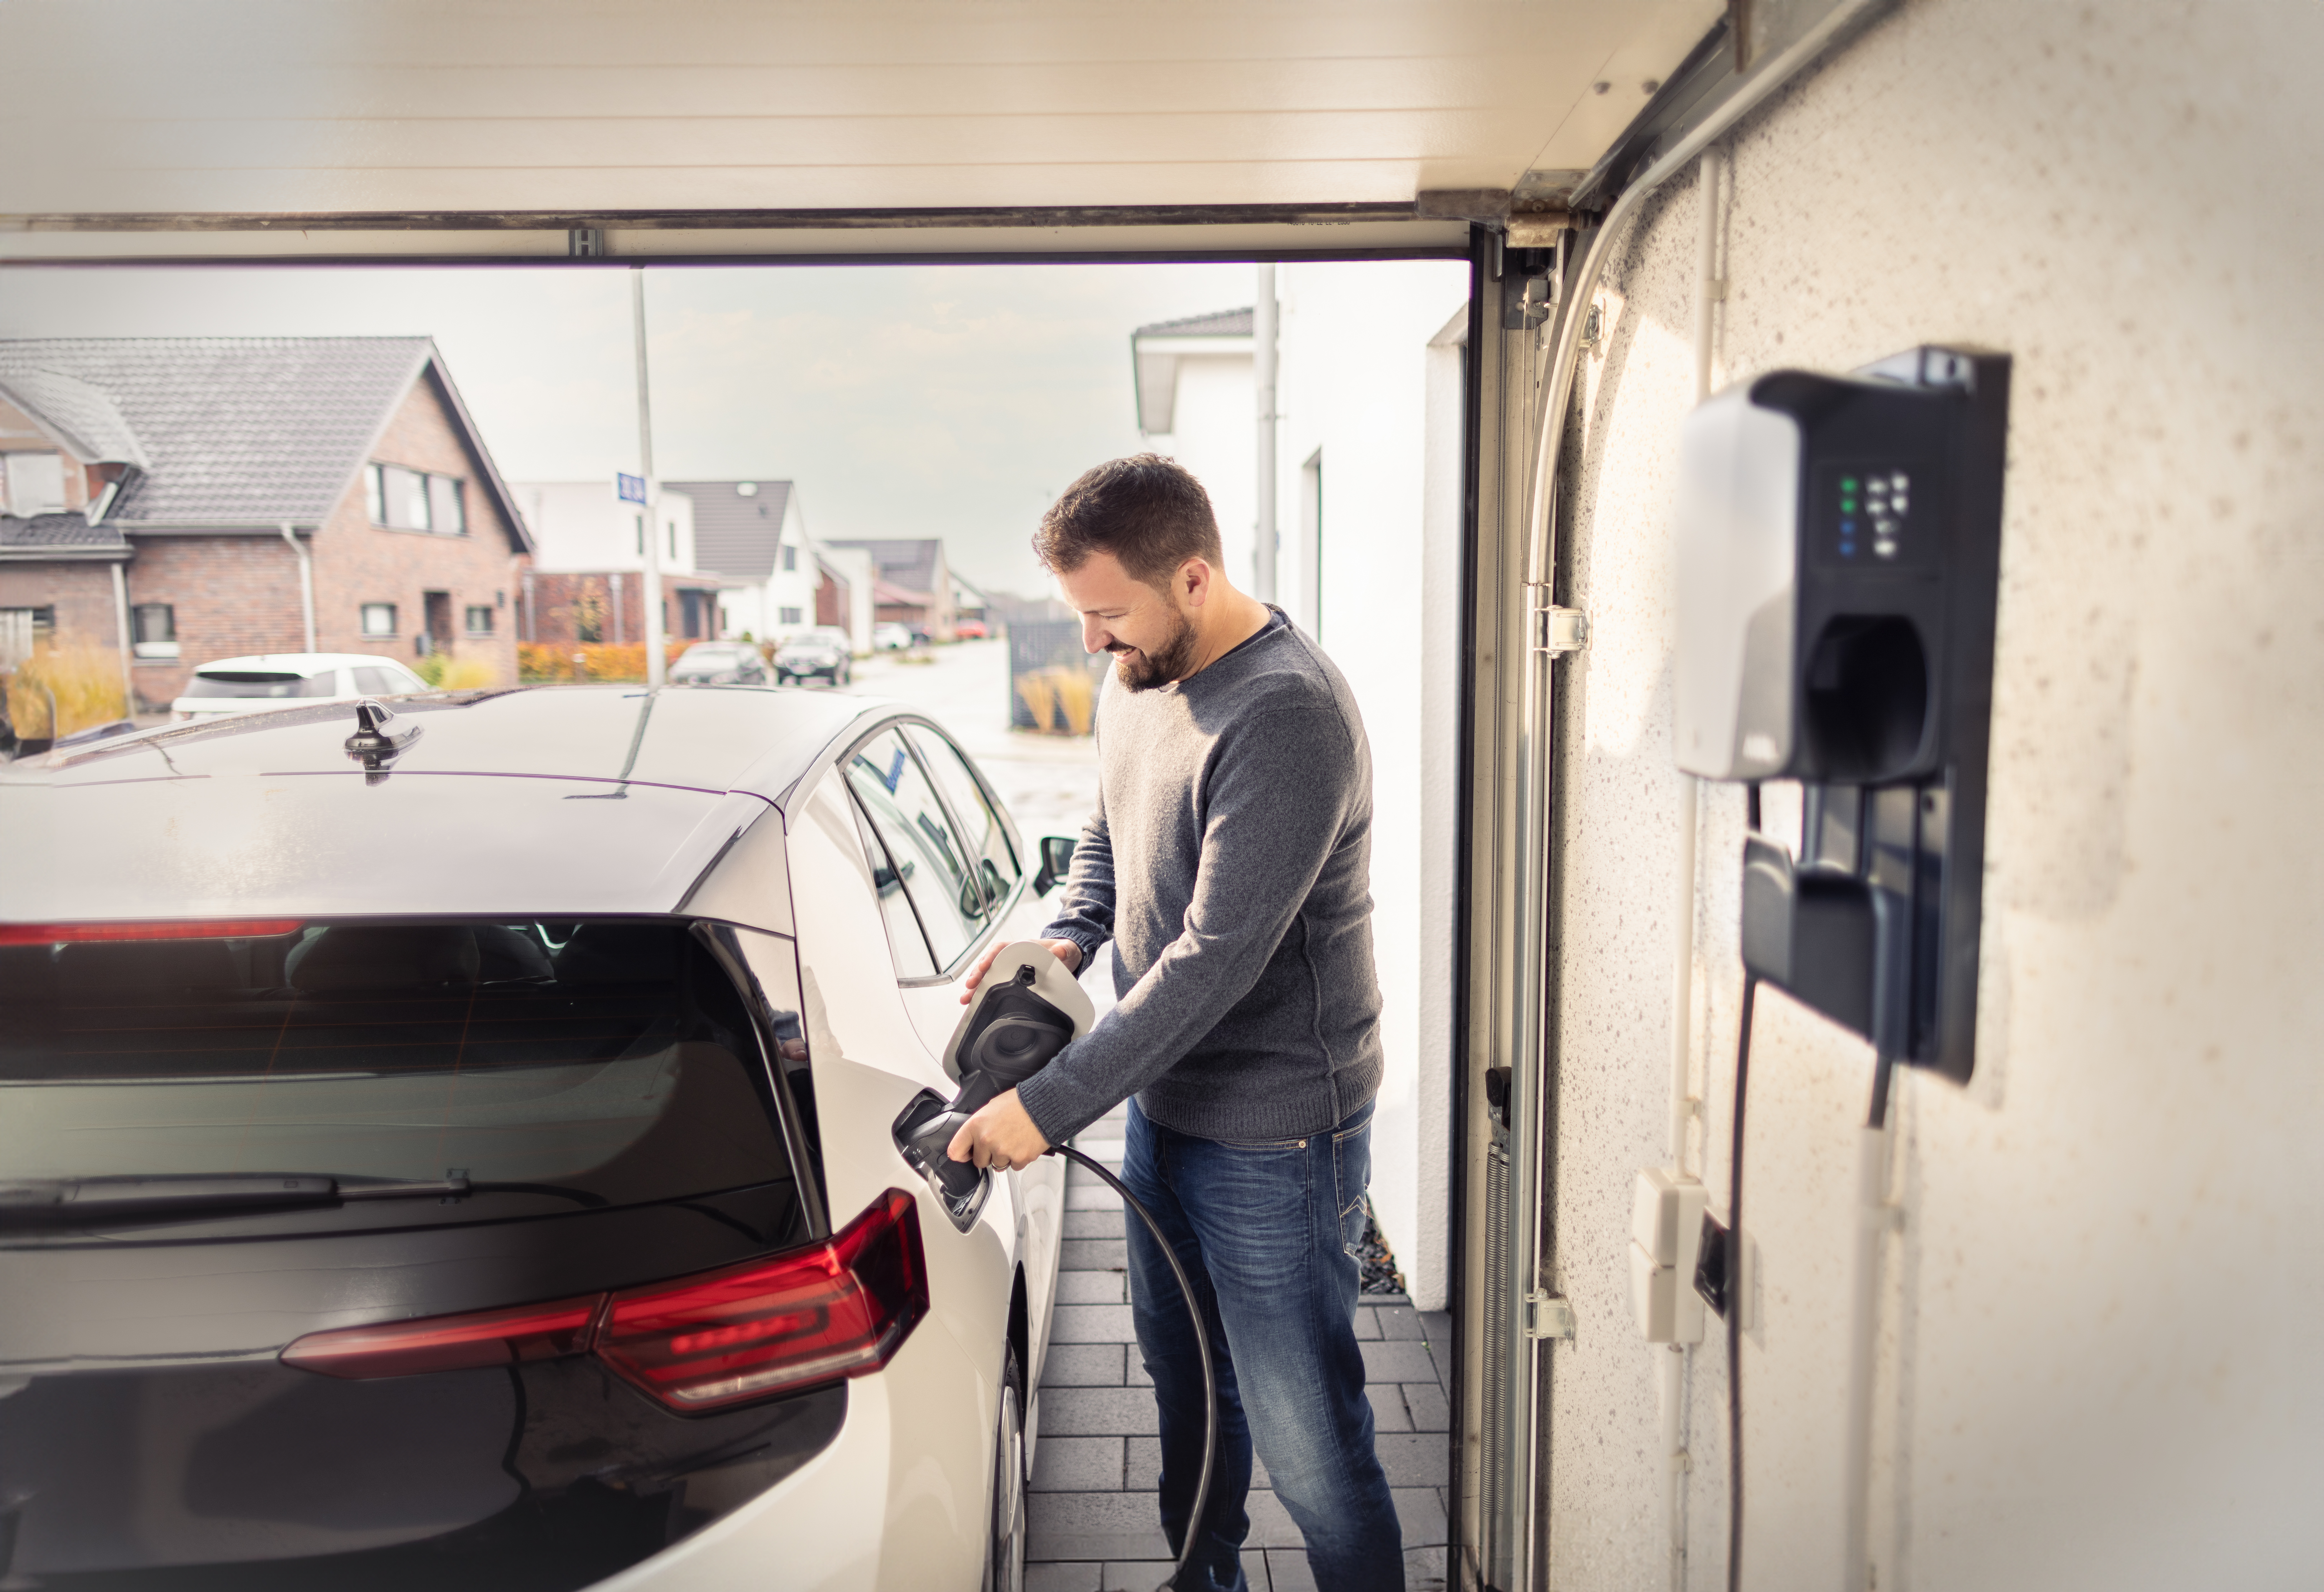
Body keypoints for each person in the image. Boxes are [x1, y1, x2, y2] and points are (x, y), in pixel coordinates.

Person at [947, 454, 1401, 1592]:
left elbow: (1213, 960)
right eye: (1081, 615)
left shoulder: (1286, 713)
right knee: (1188, 1387)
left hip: (1277, 1133)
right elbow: (1109, 829)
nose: (1093, 642)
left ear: (1192, 577)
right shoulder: (1138, 675)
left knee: (1309, 1440)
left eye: (1108, 613)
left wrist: (1044, 1108)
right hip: (1169, 1102)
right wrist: (1069, 935)